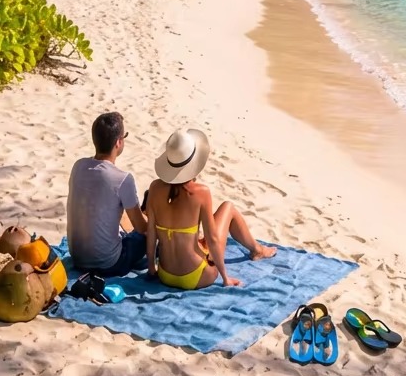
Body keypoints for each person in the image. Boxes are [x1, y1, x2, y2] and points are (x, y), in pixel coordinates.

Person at [146, 128, 276, 289]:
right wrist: (225, 278)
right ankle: (257, 250)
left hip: (166, 274)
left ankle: (257, 249)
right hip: (196, 276)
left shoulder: (155, 188)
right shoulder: (201, 193)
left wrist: (151, 269)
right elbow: (213, 239)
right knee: (228, 207)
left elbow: (151, 233)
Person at [67, 112, 147, 276]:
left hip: (77, 258)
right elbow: (141, 227)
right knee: (144, 237)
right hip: (109, 264)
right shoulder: (122, 179)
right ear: (118, 142)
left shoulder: (78, 166)